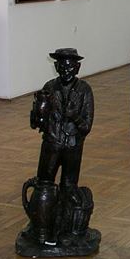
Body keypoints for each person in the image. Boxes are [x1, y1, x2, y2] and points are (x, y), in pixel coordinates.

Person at [31, 48, 95, 192]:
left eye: (70, 67)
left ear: (77, 67)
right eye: (62, 66)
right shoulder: (49, 87)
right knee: (44, 185)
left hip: (72, 146)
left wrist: (74, 116)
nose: (66, 71)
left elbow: (86, 127)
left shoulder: (84, 90)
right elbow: (37, 123)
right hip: (52, 144)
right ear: (56, 67)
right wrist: (38, 114)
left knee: (69, 187)